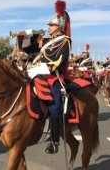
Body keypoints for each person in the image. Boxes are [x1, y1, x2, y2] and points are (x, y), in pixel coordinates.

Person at [39, 15, 71, 154]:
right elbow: (32, 51)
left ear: (59, 27)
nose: (49, 28)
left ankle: (54, 141)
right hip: (40, 73)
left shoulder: (65, 41)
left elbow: (62, 57)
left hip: (53, 76)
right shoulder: (47, 41)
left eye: (51, 25)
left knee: (55, 107)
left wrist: (50, 67)